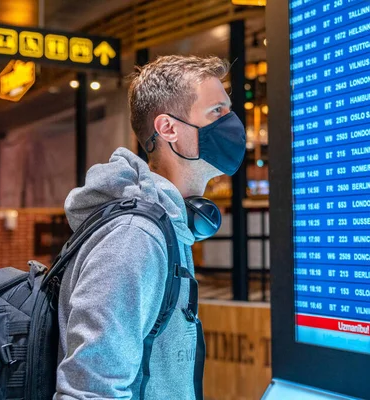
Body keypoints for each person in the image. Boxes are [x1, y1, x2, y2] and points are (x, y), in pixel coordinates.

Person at [53, 55, 246, 399]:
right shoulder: (135, 238)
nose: (232, 123)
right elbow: (91, 391)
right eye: (216, 111)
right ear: (168, 129)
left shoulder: (169, 225)